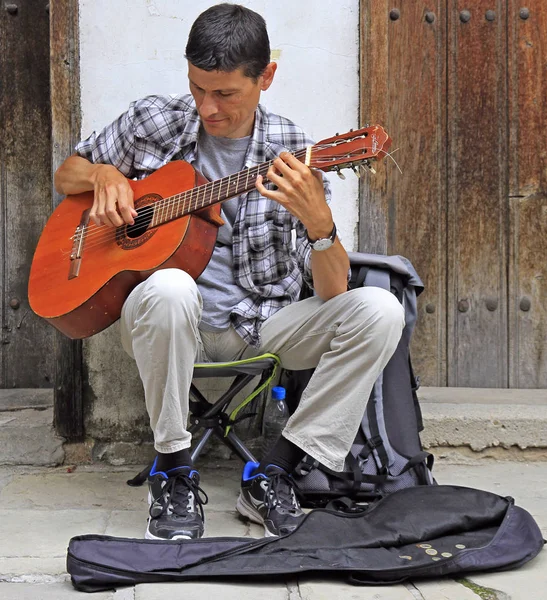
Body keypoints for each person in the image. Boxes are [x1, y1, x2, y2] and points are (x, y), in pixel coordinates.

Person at [54, 3, 404, 540]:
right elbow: (66, 174)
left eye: (225, 94)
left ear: (266, 77)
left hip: (262, 327)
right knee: (170, 286)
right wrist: (104, 174)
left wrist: (320, 224)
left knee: (380, 309)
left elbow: (334, 294)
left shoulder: (291, 148)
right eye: (198, 89)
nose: (208, 108)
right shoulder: (155, 121)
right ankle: (172, 471)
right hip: (168, 324)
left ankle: (278, 471)